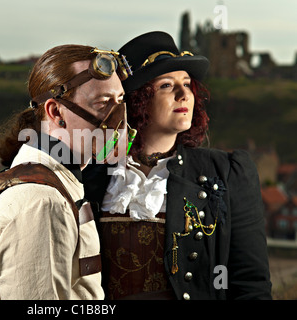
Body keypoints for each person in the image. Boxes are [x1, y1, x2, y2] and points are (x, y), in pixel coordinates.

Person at [83, 31, 272, 300]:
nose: (184, 94)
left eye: (187, 84)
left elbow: (251, 285)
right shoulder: (92, 174)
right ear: (136, 99)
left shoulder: (227, 172)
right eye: (167, 86)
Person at [0, 44, 131, 299]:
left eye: (120, 102)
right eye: (103, 103)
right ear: (55, 111)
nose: (119, 119)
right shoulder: (42, 201)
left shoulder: (61, 181)